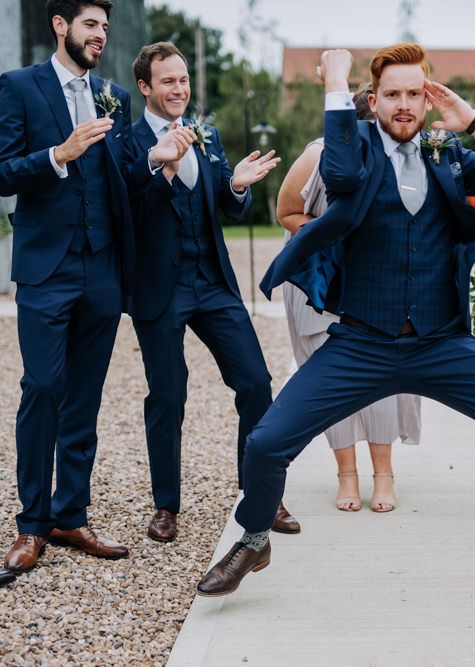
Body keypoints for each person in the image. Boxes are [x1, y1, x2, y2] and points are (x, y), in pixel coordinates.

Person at [197, 44, 475, 605]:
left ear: (427, 98)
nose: (404, 104)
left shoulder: (450, 154)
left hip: (443, 343)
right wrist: (335, 83)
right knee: (268, 442)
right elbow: (340, 176)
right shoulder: (356, 148)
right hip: (362, 343)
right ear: (373, 100)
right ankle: (254, 539)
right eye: (392, 94)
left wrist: (474, 123)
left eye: (414, 93)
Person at [0, 0, 188, 573]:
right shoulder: (19, 86)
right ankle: (30, 524)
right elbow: (3, 169)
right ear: (60, 26)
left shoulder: (116, 95)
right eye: (90, 25)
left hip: (102, 269)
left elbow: (121, 178)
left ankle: (70, 515)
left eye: (105, 27)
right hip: (47, 270)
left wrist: (153, 160)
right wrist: (58, 154)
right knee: (42, 388)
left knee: (85, 397)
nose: (100, 35)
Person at [127, 42, 300, 542]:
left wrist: (239, 186)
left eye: (183, 80)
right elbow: (130, 210)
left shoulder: (208, 134)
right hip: (160, 287)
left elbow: (228, 204)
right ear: (146, 87)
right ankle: (166, 506)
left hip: (213, 282)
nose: (179, 89)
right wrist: (160, 165)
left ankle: (260, 497)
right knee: (168, 394)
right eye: (167, 81)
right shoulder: (127, 139)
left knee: (254, 382)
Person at [277, 84, 422, 513]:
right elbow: (286, 214)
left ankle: (383, 474)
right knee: (328, 380)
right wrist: (335, 235)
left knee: (379, 379)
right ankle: (346, 474)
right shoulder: (316, 156)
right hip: (317, 283)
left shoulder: (406, 160)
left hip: (378, 285)